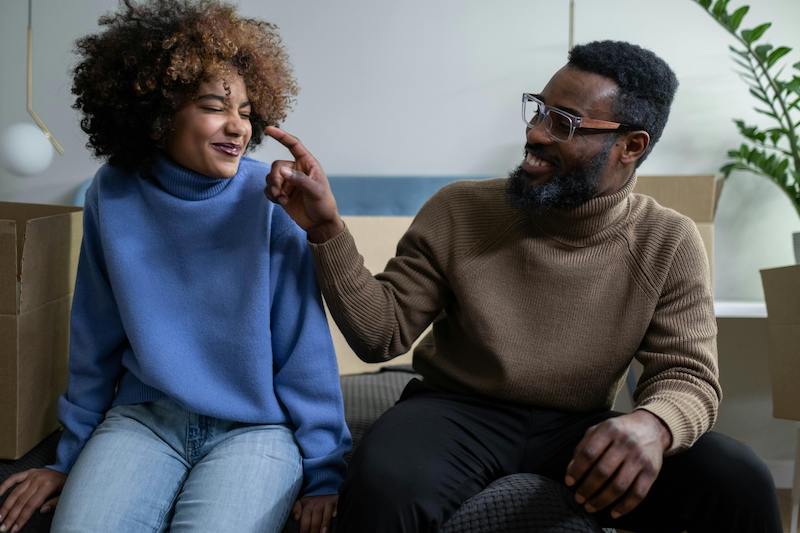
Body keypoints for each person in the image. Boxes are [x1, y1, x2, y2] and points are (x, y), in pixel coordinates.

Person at [264, 40, 782, 532]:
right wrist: (326, 230)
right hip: (454, 412)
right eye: (539, 110)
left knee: (738, 478)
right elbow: (381, 334)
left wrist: (654, 424)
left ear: (630, 145)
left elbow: (688, 374)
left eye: (564, 123)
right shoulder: (461, 209)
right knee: (382, 481)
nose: (536, 133)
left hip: (578, 428)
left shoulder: (668, 240)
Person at [0, 1, 349, 532]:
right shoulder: (111, 195)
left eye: (247, 112)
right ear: (159, 113)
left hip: (254, 428)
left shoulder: (273, 198)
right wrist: (66, 458)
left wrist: (325, 472)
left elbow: (304, 347)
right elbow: (94, 335)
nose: (237, 127)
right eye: (215, 106)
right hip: (142, 422)